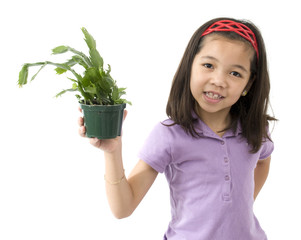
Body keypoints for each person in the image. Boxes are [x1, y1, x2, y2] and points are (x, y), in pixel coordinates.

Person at [78, 17, 276, 240]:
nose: (219, 80)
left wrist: (242, 205)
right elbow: (122, 208)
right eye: (208, 65)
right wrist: (112, 151)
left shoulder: (255, 130)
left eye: (235, 73)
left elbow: (262, 159)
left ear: (248, 84)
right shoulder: (169, 135)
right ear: (190, 66)